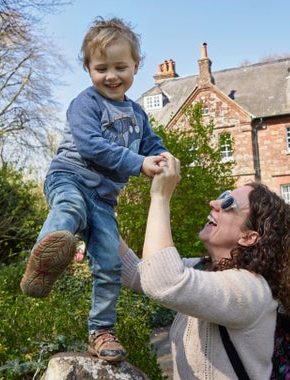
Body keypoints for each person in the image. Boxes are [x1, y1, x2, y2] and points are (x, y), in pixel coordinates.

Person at [19, 17, 169, 362]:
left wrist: (162, 157)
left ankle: (101, 331)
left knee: (109, 264)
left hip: (103, 200)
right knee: (69, 209)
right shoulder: (85, 103)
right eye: (102, 68)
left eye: (120, 67)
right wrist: (138, 164)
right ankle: (45, 259)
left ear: (136, 66)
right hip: (70, 176)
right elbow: (91, 146)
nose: (111, 75)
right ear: (88, 68)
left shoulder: (137, 114)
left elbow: (151, 144)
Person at [119, 154, 290, 379]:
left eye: (228, 204)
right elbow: (139, 273)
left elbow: (162, 281)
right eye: (222, 196)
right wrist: (99, 217)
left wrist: (160, 196)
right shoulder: (204, 268)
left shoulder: (250, 289)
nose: (214, 203)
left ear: (249, 237)